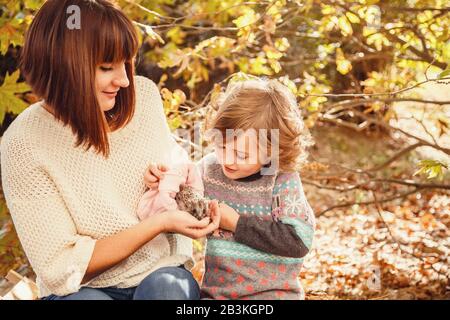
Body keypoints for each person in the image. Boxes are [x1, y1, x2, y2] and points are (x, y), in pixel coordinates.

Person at [0, 0, 219, 300]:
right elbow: (60, 266)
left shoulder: (144, 98)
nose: (124, 80)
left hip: (158, 274)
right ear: (64, 65)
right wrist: (159, 224)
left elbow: (179, 184)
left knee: (167, 290)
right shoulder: (23, 142)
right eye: (106, 68)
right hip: (81, 291)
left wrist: (176, 190)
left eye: (125, 64)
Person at [146, 79, 316, 299]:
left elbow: (298, 241)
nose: (227, 160)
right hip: (217, 295)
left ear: (272, 151)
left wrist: (236, 224)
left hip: (273, 295)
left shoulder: (281, 180)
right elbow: (184, 207)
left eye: (242, 155)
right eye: (222, 146)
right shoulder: (209, 169)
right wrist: (164, 182)